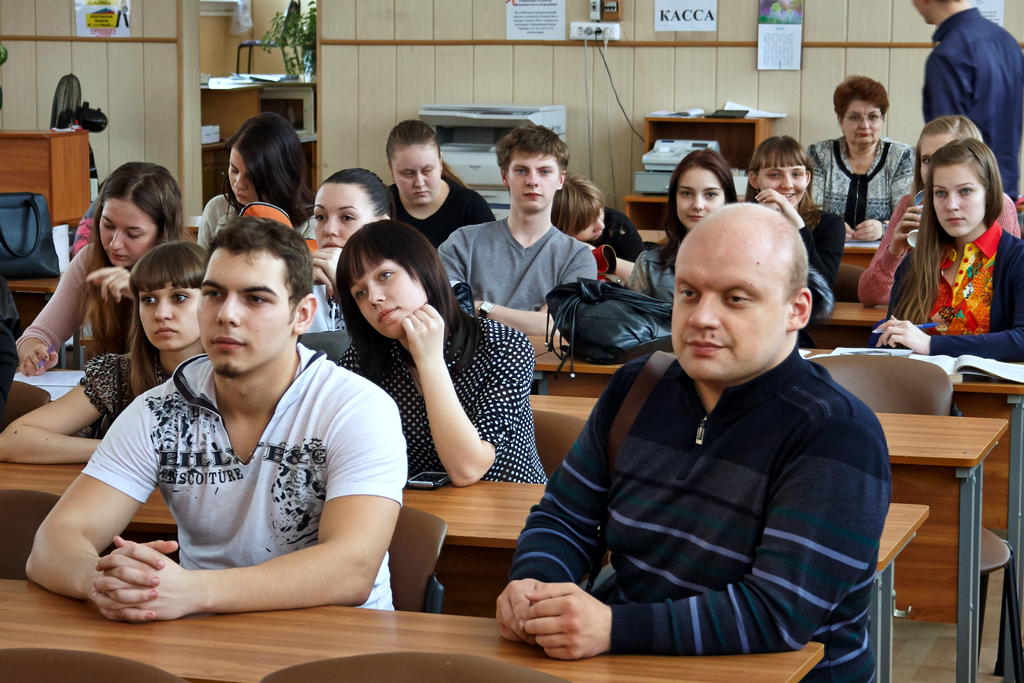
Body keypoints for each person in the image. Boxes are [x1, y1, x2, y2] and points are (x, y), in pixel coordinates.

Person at [496, 204, 890, 682]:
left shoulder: (838, 433)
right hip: (629, 664)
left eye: (735, 298)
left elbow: (778, 615)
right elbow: (565, 517)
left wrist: (615, 628)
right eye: (688, 293)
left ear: (797, 309)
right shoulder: (638, 387)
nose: (702, 317)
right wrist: (536, 584)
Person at [26, 217, 408, 620]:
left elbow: (351, 569)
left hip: (336, 636)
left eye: (255, 299)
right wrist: (106, 583)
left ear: (302, 315)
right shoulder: (159, 410)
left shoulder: (357, 408)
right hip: (199, 632)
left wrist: (192, 591)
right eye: (213, 294)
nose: (227, 314)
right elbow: (53, 542)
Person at [337, 220, 546, 486]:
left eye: (384, 275)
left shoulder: (504, 345)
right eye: (360, 292)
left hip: (510, 503)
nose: (374, 298)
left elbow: (468, 469)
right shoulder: (360, 362)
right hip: (417, 507)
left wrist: (429, 360)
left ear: (422, 267)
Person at [0, 242, 206, 464]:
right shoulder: (118, 372)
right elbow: (12, 440)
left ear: (212, 303)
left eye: (179, 297)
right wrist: (124, 449)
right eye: (148, 299)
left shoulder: (228, 377)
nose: (161, 313)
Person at [17, 162, 187, 376]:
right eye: (108, 225)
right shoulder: (90, 260)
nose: (115, 243)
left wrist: (140, 293)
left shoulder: (190, 271)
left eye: (133, 234)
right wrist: (34, 352)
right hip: (109, 389)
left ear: (163, 233)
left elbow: (192, 363)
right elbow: (39, 333)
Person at [438, 124, 597, 337]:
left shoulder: (577, 256)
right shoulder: (462, 243)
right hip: (471, 357)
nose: (532, 181)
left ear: (560, 180)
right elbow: (447, 315)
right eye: (521, 170)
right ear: (505, 176)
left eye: (544, 172)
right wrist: (535, 320)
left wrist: (482, 307)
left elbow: (560, 327)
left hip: (542, 360)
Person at [877, 139, 1024, 361]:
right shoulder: (914, 262)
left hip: (988, 384)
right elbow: (894, 340)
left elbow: (1021, 340)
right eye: (941, 193)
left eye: (965, 191)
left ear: (989, 194)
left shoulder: (1017, 258)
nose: (951, 205)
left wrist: (931, 344)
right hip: (920, 380)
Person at [859, 115, 1021, 308]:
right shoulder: (909, 206)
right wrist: (893, 253)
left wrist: (932, 330)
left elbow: (1001, 297)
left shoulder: (1000, 208)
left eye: (947, 156)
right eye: (927, 160)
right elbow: (870, 296)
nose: (935, 168)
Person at [914, 0, 1024, 201]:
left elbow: (945, 144)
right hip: (1005, 192)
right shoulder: (1008, 42)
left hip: (965, 199)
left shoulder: (948, 55)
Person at [807, 76, 915, 242]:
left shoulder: (901, 156)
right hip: (828, 248)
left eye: (873, 117)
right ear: (840, 120)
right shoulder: (820, 154)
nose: (864, 125)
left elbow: (909, 217)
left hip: (886, 251)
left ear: (882, 119)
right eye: (854, 117)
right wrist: (830, 226)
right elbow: (809, 211)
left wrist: (883, 228)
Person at [625, 149, 738, 301]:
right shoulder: (649, 266)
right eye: (687, 193)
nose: (697, 205)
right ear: (674, 199)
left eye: (710, 194)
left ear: (727, 200)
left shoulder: (749, 262)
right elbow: (630, 316)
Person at [198, 112, 316, 249]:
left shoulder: (312, 224)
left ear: (281, 176)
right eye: (234, 170)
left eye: (251, 177)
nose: (238, 184)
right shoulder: (218, 208)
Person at [746, 136, 845, 292]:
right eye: (774, 175)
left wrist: (797, 224)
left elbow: (821, 288)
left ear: (807, 178)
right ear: (755, 180)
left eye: (796, 174)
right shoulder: (739, 222)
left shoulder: (830, 224)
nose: (787, 185)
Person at [386, 120, 495, 248]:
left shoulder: (471, 208)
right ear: (391, 169)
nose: (419, 183)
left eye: (427, 171)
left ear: (440, 163)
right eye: (408, 173)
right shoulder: (380, 206)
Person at [308, 168, 391, 333]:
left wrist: (347, 284)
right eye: (320, 217)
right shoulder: (300, 279)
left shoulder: (402, 279)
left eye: (347, 217)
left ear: (381, 225)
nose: (329, 230)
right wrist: (295, 288)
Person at [551, 173, 644, 281]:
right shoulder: (548, 240)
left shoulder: (618, 227)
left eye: (600, 214)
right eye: (588, 224)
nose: (601, 226)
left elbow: (644, 279)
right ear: (562, 227)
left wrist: (600, 256)